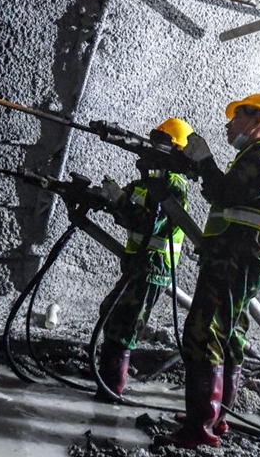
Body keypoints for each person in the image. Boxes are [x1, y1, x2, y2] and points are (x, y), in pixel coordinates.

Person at [155, 94, 260, 449]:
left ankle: (199, 428)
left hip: (234, 259)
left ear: (257, 121)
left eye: (236, 117)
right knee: (228, 337)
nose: (229, 125)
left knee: (204, 334)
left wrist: (205, 161)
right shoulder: (256, 156)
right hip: (234, 258)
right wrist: (202, 166)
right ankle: (215, 418)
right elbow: (227, 196)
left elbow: (225, 194)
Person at [95, 118, 192, 401]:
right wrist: (109, 198)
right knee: (111, 313)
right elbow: (129, 214)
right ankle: (107, 384)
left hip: (154, 266)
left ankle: (111, 391)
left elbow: (151, 223)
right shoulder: (146, 181)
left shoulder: (172, 184)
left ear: (176, 150)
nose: (153, 145)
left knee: (124, 326)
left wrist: (120, 201)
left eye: (162, 141)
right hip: (138, 263)